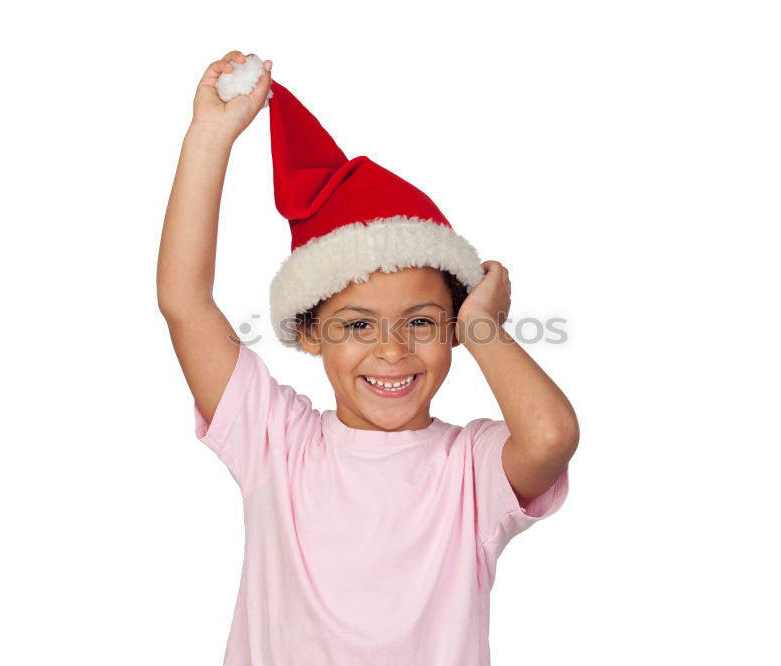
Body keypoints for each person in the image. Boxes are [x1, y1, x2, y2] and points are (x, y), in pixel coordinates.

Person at [157, 49, 580, 666]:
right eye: (358, 324)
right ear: (310, 333)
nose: (392, 349)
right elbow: (184, 303)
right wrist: (211, 135)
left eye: (422, 322)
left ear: (455, 328)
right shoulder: (274, 440)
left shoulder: (471, 470)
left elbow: (549, 436)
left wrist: (482, 325)